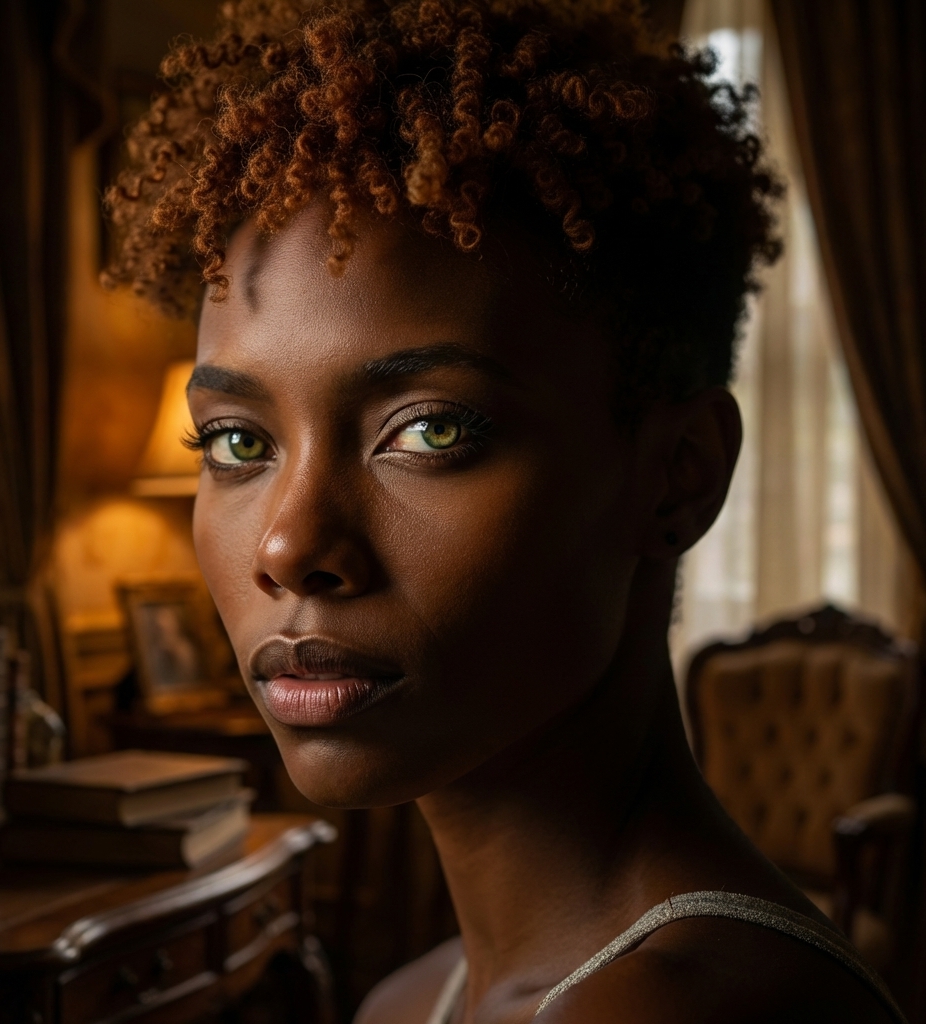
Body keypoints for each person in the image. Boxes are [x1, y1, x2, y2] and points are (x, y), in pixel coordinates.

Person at [104, 2, 903, 1020]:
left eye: (430, 430)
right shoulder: (413, 999)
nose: (290, 545)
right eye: (237, 442)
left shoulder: (703, 1007)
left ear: (679, 475)